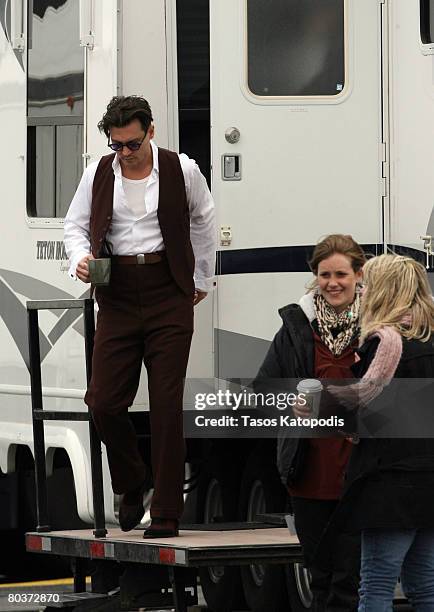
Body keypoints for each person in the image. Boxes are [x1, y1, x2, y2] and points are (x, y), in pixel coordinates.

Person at [64, 95, 216, 538]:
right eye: (117, 146)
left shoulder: (182, 169)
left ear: (150, 131)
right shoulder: (97, 173)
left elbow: (204, 222)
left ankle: (167, 509)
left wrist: (201, 278)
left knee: (166, 403)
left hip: (168, 289)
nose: (125, 153)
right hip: (116, 293)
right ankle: (131, 483)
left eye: (132, 143)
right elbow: (74, 224)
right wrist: (81, 256)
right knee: (104, 402)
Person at [255, 234, 365, 611]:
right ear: (314, 277)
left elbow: (399, 399)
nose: (332, 283)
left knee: (350, 582)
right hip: (308, 475)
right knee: (320, 582)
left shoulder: (377, 330)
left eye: (341, 274)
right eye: (324, 275)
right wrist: (290, 404)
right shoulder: (296, 329)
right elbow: (262, 392)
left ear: (358, 275)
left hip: (360, 476)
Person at [325, 254, 434, 611]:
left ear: (383, 291)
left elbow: (364, 409)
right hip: (429, 484)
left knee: (376, 584)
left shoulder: (384, 343)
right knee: (426, 586)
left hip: (390, 487)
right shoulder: (431, 339)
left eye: (367, 284)